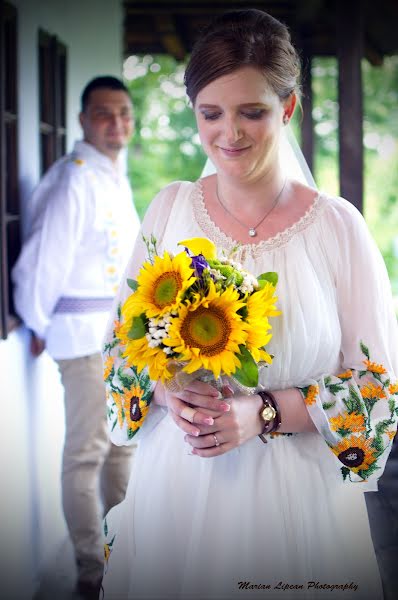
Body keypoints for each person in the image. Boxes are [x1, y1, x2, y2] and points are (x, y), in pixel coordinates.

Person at [101, 10, 398, 600]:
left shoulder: (336, 228)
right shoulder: (168, 210)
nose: (228, 134)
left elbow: (379, 391)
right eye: (211, 114)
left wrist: (263, 413)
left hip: (295, 506)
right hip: (177, 494)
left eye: (252, 112)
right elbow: (118, 350)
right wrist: (167, 392)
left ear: (287, 109)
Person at [12, 76, 140, 599]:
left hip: (120, 339)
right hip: (82, 341)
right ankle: (92, 570)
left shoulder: (113, 175)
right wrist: (39, 324)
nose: (116, 124)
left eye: (125, 113)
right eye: (104, 114)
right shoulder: (74, 180)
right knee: (87, 455)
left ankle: (127, 551)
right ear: (84, 119)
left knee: (122, 450)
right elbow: (39, 265)